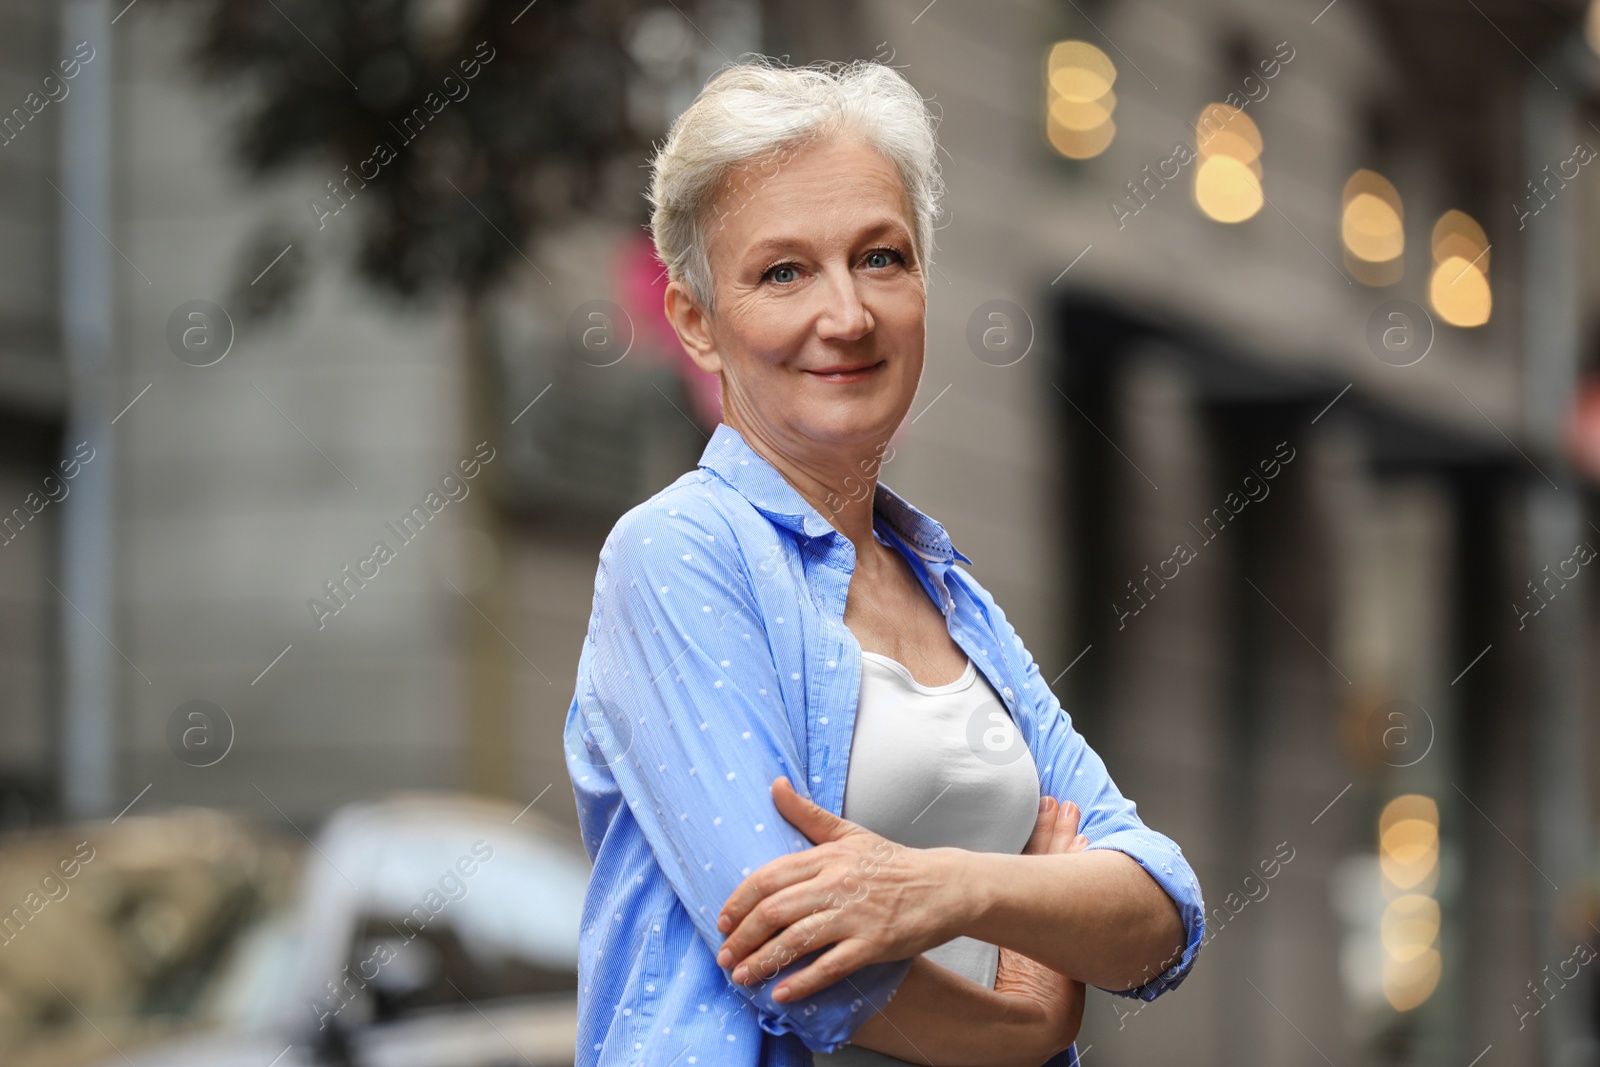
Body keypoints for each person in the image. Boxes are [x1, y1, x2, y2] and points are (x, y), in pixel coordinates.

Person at [563, 57, 1204, 1066]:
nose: (848, 315)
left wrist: (949, 886)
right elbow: (795, 956)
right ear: (695, 320)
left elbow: (1159, 907)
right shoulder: (676, 554)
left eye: (880, 257)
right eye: (783, 271)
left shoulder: (948, 592)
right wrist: (1035, 1013)